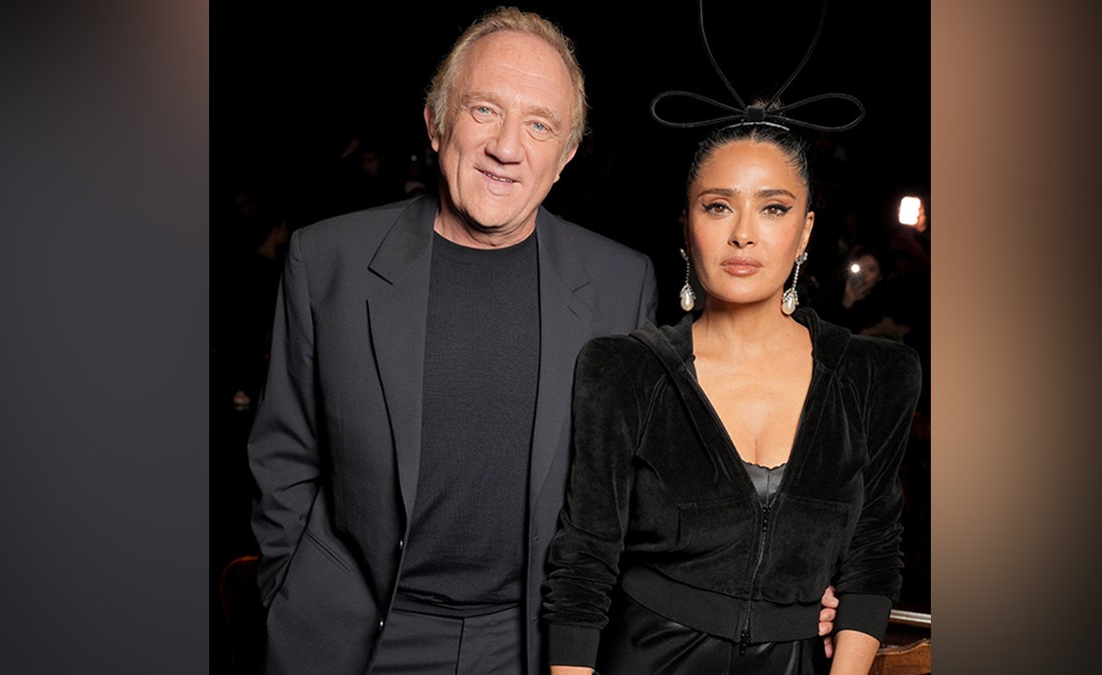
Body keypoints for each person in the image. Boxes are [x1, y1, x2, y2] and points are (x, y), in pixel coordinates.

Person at [245, 7, 665, 674]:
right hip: (351, 638)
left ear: (566, 156)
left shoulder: (621, 284)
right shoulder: (326, 260)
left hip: (528, 643)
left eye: (540, 124)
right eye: (484, 110)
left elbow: (637, 492)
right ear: (436, 124)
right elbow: (285, 454)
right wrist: (287, 592)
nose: (507, 146)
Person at [542, 120, 922, 673]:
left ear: (806, 231)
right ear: (686, 222)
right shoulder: (624, 370)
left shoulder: (876, 376)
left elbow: (874, 550)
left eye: (773, 208)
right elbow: (583, 563)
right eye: (718, 206)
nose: (743, 233)